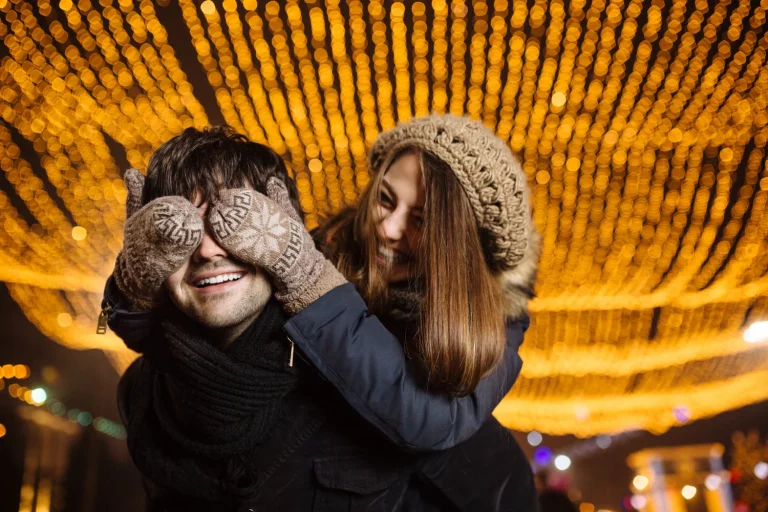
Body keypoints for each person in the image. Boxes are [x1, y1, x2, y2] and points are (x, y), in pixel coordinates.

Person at [103, 125, 538, 510]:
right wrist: (135, 282)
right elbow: (185, 329)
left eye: (421, 220)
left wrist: (306, 273)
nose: (389, 229)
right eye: (384, 200)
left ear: (460, 246)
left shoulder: (477, 342)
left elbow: (430, 420)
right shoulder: (308, 254)